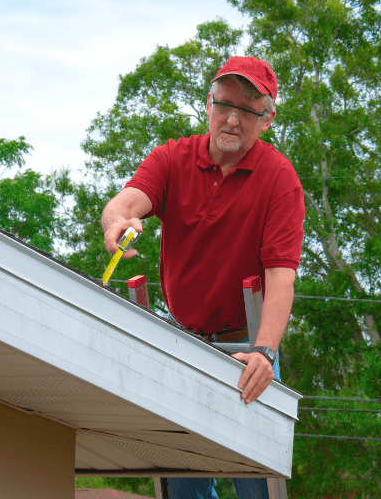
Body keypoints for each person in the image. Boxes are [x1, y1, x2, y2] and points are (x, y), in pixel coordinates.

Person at [100, 56, 305, 499]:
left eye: (248, 109)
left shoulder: (279, 180)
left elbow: (281, 276)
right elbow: (128, 201)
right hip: (183, 343)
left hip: (245, 353)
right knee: (181, 487)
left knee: (256, 486)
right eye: (224, 104)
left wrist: (265, 354)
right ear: (208, 105)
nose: (232, 119)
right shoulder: (173, 159)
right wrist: (117, 221)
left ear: (266, 119)